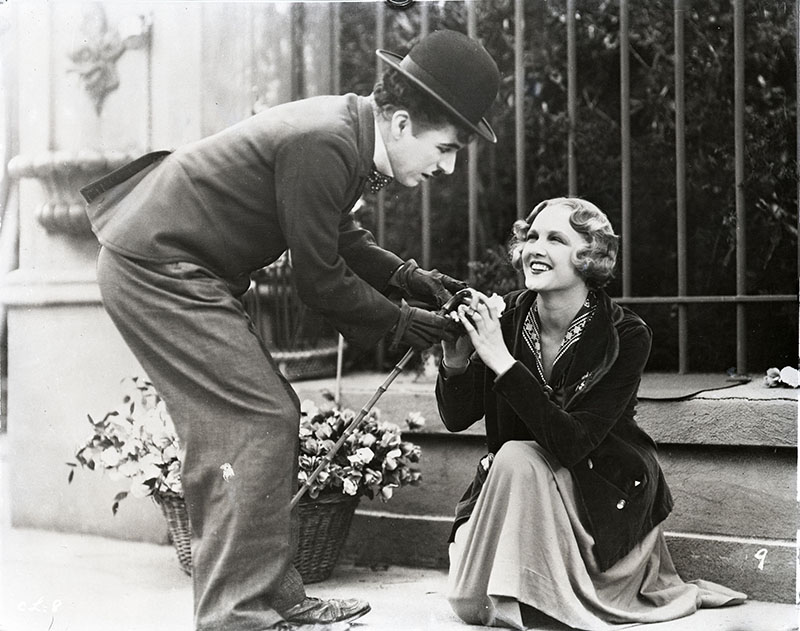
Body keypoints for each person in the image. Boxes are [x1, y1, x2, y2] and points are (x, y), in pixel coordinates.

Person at [81, 30, 500, 631]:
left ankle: (273, 598)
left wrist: (408, 278)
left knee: (259, 418)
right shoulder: (326, 140)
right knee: (253, 420)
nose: (449, 166)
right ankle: (236, 616)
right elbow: (320, 280)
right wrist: (402, 321)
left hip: (175, 265)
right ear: (403, 124)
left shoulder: (347, 131)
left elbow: (336, 233)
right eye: (447, 147)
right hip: (156, 267)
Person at [436, 198, 746, 630]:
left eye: (556, 239)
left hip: (595, 494)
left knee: (516, 457)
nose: (535, 248)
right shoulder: (508, 316)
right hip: (519, 487)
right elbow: (456, 418)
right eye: (531, 237)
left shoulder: (625, 334)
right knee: (471, 598)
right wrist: (454, 361)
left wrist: (501, 361)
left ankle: (540, 593)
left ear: (590, 257)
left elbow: (574, 442)